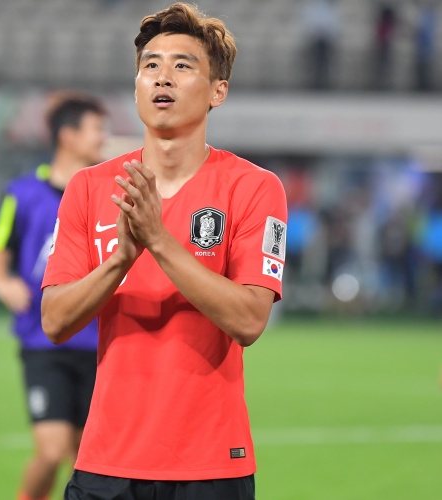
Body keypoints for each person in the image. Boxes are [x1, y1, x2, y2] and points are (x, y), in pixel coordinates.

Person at [41, 4, 287, 499]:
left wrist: (157, 240)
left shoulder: (255, 187)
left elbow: (249, 320)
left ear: (218, 91)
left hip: (211, 466)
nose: (162, 77)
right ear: (136, 86)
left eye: (182, 65)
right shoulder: (89, 188)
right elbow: (54, 321)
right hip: (105, 462)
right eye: (150, 65)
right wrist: (119, 261)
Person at [0, 94, 106, 500]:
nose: (103, 139)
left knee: (88, 459)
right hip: (44, 342)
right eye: (96, 129)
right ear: (68, 136)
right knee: (51, 452)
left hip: (101, 344)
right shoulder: (21, 193)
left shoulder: (107, 192)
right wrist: (3, 284)